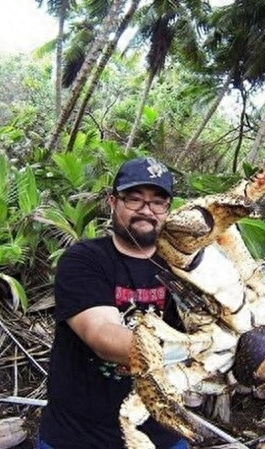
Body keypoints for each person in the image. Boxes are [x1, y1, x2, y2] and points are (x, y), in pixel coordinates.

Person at [38, 157, 188, 449]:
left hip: (161, 433)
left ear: (168, 210)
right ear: (112, 202)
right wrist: (194, 350)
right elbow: (103, 335)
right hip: (78, 436)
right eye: (134, 199)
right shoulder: (85, 259)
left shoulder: (183, 268)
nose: (147, 210)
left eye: (158, 202)